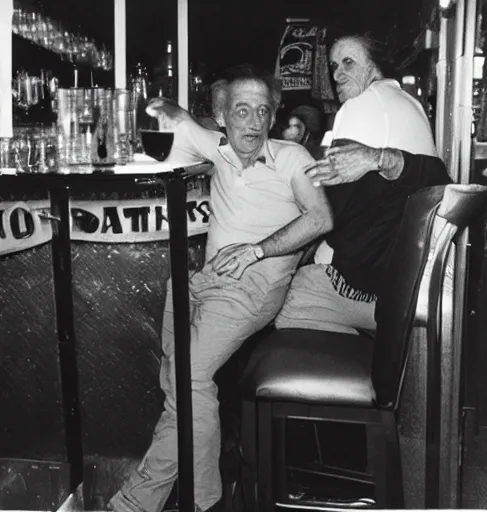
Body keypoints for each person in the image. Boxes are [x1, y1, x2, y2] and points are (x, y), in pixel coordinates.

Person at [108, 64, 333, 512]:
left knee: (188, 380)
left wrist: (258, 250)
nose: (251, 121)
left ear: (272, 118)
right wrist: (150, 102)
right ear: (222, 116)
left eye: (261, 112)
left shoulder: (292, 159)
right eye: (241, 111)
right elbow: (168, 114)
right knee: (180, 387)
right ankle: (200, 498)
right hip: (201, 282)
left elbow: (320, 219)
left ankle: (143, 504)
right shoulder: (217, 146)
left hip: (252, 285)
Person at [275, 31, 452, 334]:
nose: (338, 74)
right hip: (413, 277)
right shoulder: (411, 103)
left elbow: (329, 215)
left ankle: (358, 373)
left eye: (348, 63)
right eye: (333, 66)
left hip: (375, 285)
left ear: (374, 68)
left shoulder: (360, 105)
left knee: (284, 304)